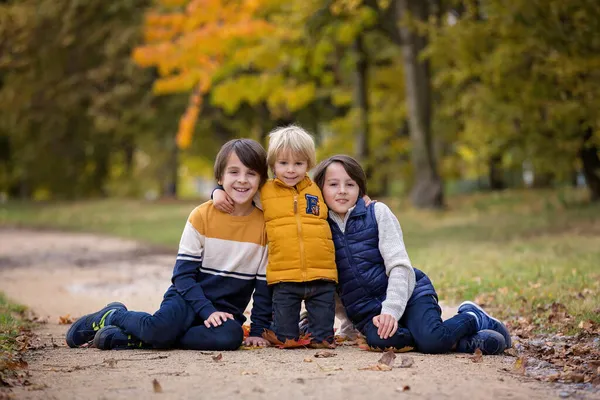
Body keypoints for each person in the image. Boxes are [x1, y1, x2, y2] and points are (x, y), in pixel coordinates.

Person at [66, 139, 272, 351]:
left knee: (230, 337)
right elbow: (182, 276)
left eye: (251, 174)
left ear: (261, 180)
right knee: (162, 328)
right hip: (187, 299)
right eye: (234, 172)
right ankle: (113, 315)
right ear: (220, 177)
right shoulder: (201, 217)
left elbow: (263, 287)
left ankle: (142, 338)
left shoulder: (265, 226)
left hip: (225, 311)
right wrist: (206, 310)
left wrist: (257, 330)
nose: (243, 180)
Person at [310, 154, 511, 354]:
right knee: (380, 339)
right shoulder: (320, 228)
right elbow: (333, 284)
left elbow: (399, 266)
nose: (342, 191)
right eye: (334, 184)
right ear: (320, 188)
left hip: (409, 295)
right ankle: (459, 342)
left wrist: (391, 310)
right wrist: (349, 323)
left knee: (431, 340)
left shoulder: (377, 213)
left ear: (360, 188)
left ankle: (472, 317)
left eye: (350, 184)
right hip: (371, 314)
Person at [213, 126, 337, 346]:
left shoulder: (318, 189)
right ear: (272, 165)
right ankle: (296, 325)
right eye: (283, 163)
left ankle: (311, 323)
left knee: (322, 340)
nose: (291, 170)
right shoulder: (265, 192)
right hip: (284, 277)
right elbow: (240, 190)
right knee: (284, 339)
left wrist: (363, 198)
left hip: (321, 273)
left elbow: (341, 196)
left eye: (298, 164)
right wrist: (217, 191)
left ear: (308, 164)